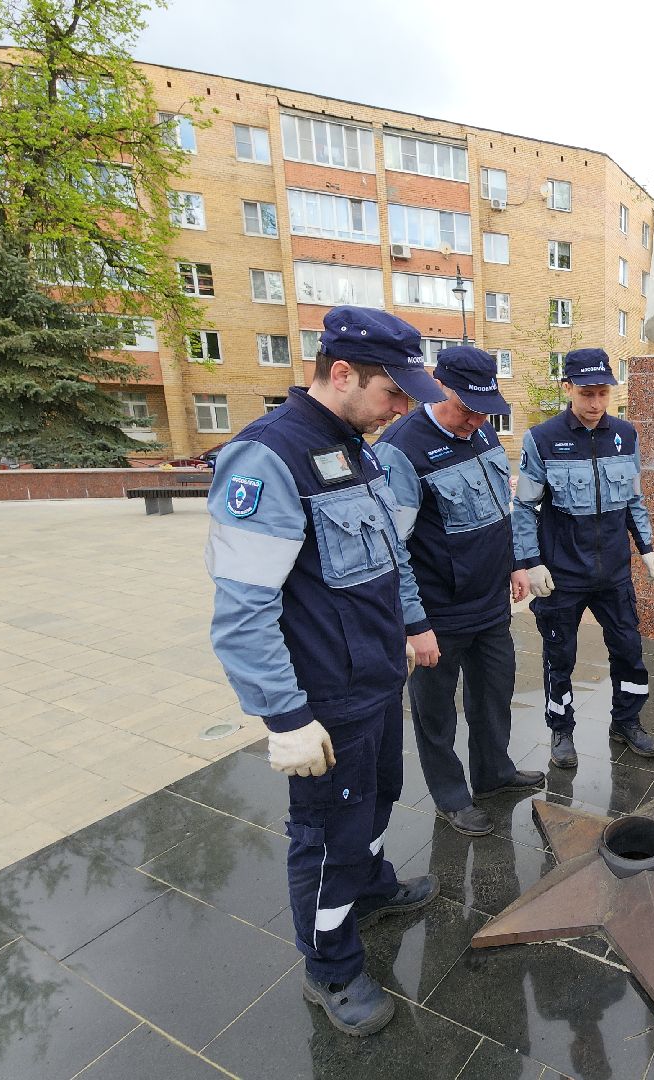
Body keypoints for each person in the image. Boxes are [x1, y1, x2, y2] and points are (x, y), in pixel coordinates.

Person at [204, 306, 445, 1037]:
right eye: (392, 393)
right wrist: (285, 717)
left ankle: (367, 887)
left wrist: (411, 626)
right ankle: (330, 968)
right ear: (341, 373)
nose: (400, 409)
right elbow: (242, 611)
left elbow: (388, 559)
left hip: (374, 679)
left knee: (376, 802)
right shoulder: (268, 457)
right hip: (324, 700)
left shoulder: (356, 448)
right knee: (327, 834)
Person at [374, 346, 543, 838]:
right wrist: (414, 623)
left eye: (485, 409)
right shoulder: (401, 449)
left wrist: (515, 564)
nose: (475, 419)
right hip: (438, 614)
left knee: (494, 694)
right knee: (436, 713)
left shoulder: (482, 429)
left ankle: (493, 773)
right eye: (465, 407)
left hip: (489, 604)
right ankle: (452, 796)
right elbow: (392, 548)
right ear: (437, 386)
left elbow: (499, 510)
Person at [511, 347, 654, 768]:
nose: (596, 403)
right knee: (560, 656)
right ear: (568, 388)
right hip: (562, 573)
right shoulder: (542, 439)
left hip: (613, 571)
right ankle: (561, 729)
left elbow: (633, 499)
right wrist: (530, 561)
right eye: (586, 393)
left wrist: (647, 548)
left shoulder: (625, 435)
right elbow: (524, 507)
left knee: (628, 649)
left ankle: (627, 721)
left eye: (603, 394)